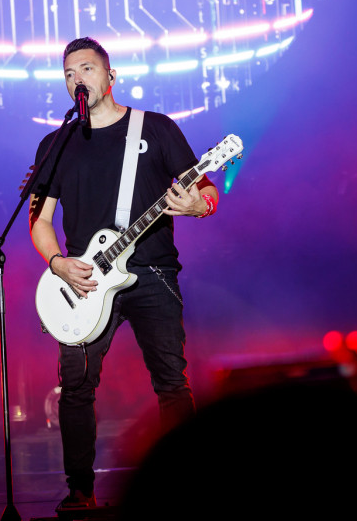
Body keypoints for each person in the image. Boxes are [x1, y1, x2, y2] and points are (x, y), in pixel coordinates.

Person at [29, 37, 219, 510]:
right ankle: (80, 492)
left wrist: (197, 205)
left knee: (172, 382)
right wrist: (57, 263)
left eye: (87, 69)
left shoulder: (154, 128)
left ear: (110, 77)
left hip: (153, 272)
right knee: (75, 388)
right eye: (69, 73)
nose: (78, 79)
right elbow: (40, 220)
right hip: (84, 281)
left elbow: (208, 189)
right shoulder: (56, 145)